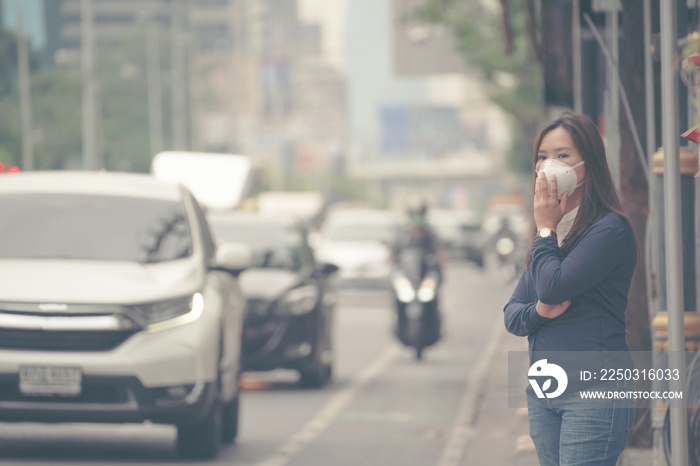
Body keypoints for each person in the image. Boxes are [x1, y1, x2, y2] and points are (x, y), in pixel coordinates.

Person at [503, 112, 638, 465]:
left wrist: (546, 229)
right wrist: (539, 312)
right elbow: (513, 315)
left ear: (587, 162)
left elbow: (552, 286)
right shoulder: (549, 235)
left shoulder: (609, 231)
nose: (550, 165)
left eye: (562, 155)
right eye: (542, 157)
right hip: (545, 391)